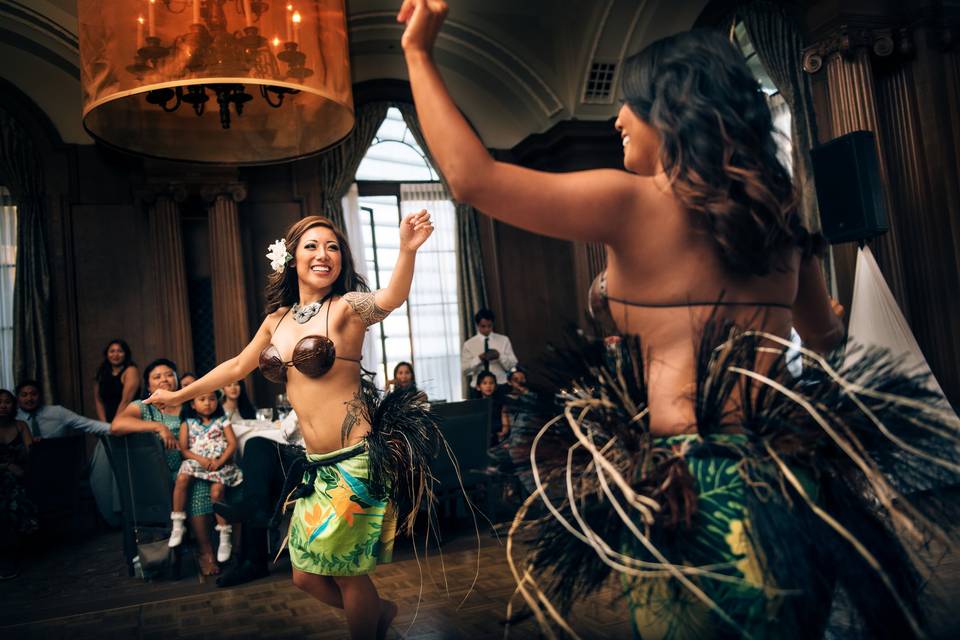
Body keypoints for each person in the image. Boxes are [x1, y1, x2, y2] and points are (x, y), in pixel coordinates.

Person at [399, 3, 958, 638]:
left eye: (630, 103)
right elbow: (827, 342)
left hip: (686, 489)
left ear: (672, 110)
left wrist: (418, 51)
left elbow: (473, 179)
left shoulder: (630, 203)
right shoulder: (782, 222)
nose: (617, 119)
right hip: (788, 484)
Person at [145, 213, 439, 640]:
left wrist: (407, 250)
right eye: (313, 246)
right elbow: (236, 367)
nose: (324, 255)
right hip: (315, 467)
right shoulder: (276, 321)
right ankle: (379, 613)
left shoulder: (346, 309)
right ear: (291, 258)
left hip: (355, 463)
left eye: (333, 247)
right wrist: (177, 397)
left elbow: (391, 297)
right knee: (305, 576)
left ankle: (370, 623)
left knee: (347, 573)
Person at [111, 359, 220, 576]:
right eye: (157, 376)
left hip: (194, 468)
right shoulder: (143, 407)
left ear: (177, 380)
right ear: (149, 386)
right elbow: (117, 426)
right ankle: (200, 550)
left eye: (169, 374)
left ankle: (209, 550)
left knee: (203, 483)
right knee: (195, 485)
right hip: (158, 479)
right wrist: (158, 426)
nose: (164, 379)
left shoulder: (191, 404)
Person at [214, 409, 305, 588]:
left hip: (320, 460)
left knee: (260, 467)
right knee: (256, 446)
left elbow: (288, 429)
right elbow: (290, 426)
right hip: (300, 453)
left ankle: (254, 561)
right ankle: (256, 512)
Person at [169, 390, 242, 567]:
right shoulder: (188, 422)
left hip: (220, 463)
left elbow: (232, 443)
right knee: (182, 478)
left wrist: (220, 461)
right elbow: (184, 449)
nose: (207, 403)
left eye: (211, 399)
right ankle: (178, 524)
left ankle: (225, 537)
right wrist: (202, 460)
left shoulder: (222, 420)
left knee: (217, 492)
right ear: (193, 404)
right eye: (202, 399)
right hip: (198, 461)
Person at [0, 389, 36, 580]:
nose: (3, 405)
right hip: (4, 476)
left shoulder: (21, 425)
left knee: (12, 489)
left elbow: (31, 455)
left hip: (21, 476)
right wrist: (6, 466)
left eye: (7, 402)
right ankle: (7, 555)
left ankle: (10, 554)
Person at [15, 380, 110, 439]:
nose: (29, 399)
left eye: (34, 394)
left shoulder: (57, 412)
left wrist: (114, 428)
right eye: (24, 395)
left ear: (41, 396)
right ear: (17, 398)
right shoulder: (13, 418)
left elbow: (87, 424)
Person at [461, 308, 517, 389]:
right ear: (477, 325)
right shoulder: (468, 344)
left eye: (489, 326)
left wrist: (499, 356)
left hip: (501, 385)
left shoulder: (504, 340)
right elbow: (465, 371)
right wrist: (479, 359)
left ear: (493, 324)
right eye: (483, 326)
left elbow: (512, 366)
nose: (487, 329)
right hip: (479, 388)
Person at [93, 339, 140, 423]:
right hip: (108, 422)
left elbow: (126, 401)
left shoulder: (131, 370)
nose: (115, 354)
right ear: (107, 354)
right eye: (112, 351)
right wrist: (104, 424)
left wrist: (115, 423)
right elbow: (98, 401)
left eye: (120, 351)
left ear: (125, 354)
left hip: (128, 419)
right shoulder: (101, 372)